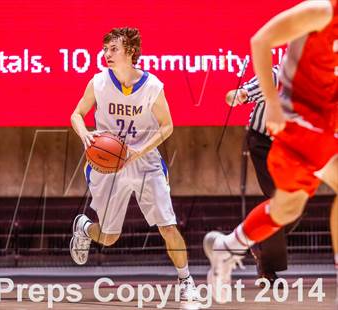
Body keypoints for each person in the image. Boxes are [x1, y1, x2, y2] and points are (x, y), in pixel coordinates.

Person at [204, 0, 338, 304]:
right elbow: (260, 40)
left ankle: (228, 246)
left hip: (323, 131)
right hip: (294, 126)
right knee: (285, 207)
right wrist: (273, 106)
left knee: (287, 209)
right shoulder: (322, 11)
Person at [69, 27, 199, 302]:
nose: (107, 54)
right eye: (105, 49)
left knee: (168, 226)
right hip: (108, 166)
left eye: (113, 49)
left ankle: (186, 280)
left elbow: (167, 127)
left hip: (145, 162)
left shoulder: (153, 86)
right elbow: (76, 114)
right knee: (108, 237)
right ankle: (84, 228)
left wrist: (138, 151)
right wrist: (85, 135)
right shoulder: (98, 83)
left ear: (131, 52)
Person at [226, 65, 293, 286]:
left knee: (296, 205)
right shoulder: (275, 74)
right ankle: (268, 268)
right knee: (278, 200)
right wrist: (237, 95)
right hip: (263, 143)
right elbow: (246, 92)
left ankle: (258, 239)